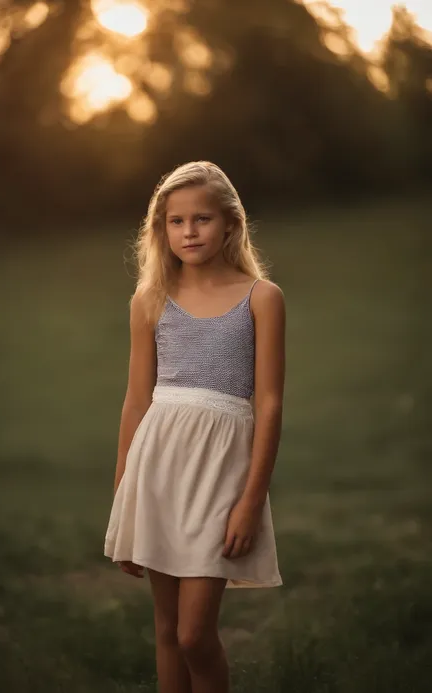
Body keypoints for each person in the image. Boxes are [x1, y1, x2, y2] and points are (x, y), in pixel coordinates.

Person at [104, 160, 285, 693]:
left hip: (220, 476)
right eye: (176, 221)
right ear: (162, 229)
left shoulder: (262, 298)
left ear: (231, 223)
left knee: (193, 635)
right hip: (158, 469)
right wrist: (124, 495)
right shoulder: (149, 299)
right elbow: (136, 401)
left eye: (201, 219)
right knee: (165, 631)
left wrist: (250, 502)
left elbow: (270, 406)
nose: (188, 231)